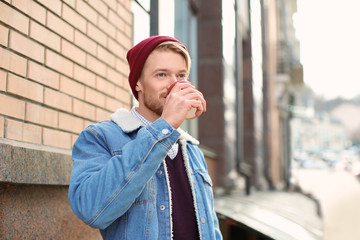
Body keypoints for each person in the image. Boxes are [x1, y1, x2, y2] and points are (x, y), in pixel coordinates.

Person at [68, 35, 223, 240]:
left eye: (181, 76)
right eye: (161, 75)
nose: (174, 86)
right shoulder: (100, 136)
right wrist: (164, 127)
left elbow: (211, 229)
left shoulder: (191, 149)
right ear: (138, 83)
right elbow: (91, 210)